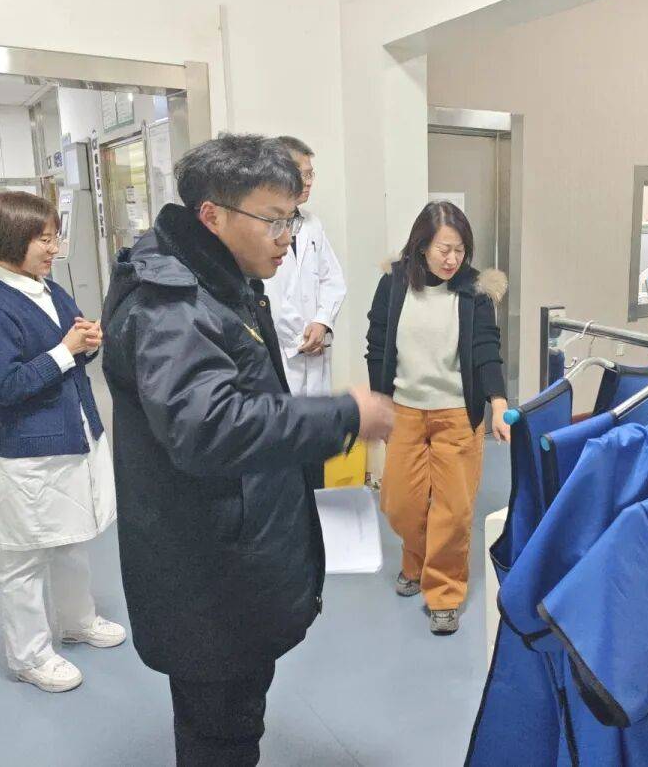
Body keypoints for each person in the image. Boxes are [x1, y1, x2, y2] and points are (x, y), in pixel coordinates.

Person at [100, 133, 393, 766]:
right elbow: (209, 426)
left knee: (234, 716)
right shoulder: (173, 305)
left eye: (292, 219)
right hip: (208, 570)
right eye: (273, 220)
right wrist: (344, 415)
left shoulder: (219, 279)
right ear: (213, 215)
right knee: (220, 730)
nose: (286, 237)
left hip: (229, 549)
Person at [0, 191, 125, 694]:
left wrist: (87, 342)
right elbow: (5, 386)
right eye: (45, 240)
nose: (54, 249)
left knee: (70, 538)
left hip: (73, 436)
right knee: (25, 557)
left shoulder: (49, 289)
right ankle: (29, 655)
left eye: (55, 238)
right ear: (12, 241)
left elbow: (73, 351)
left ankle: (77, 621)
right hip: (31, 451)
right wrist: (65, 350)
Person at [366, 201, 511, 636]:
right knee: (400, 503)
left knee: (453, 510)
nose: (452, 260)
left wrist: (498, 401)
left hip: (456, 413)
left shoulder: (473, 291)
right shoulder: (394, 283)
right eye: (444, 249)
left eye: (460, 250)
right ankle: (416, 559)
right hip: (405, 411)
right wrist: (379, 401)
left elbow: (485, 347)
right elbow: (377, 343)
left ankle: (444, 593)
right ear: (422, 246)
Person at [268, 135, 347, 490]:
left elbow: (333, 280)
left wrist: (322, 321)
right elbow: (267, 295)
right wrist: (298, 337)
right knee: (283, 463)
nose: (310, 181)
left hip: (314, 356)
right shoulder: (263, 227)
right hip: (282, 357)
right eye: (303, 173)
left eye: (311, 173)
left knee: (315, 459)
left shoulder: (312, 225)